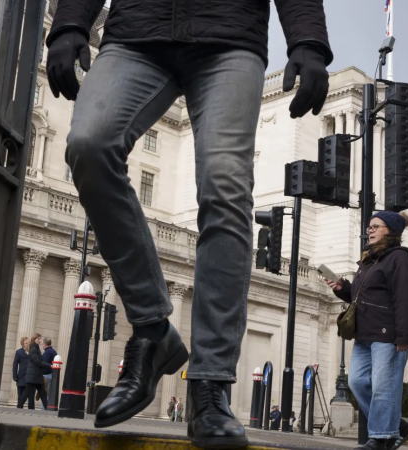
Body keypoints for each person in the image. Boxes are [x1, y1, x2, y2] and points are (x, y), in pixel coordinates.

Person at [46, 1, 331, 447]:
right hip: (137, 34)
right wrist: (69, 24)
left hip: (230, 38)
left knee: (225, 187)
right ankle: (153, 329)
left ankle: (210, 385)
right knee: (89, 144)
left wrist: (309, 42)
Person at [327, 211, 408, 450]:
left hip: (388, 335)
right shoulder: (369, 260)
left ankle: (381, 438)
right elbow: (361, 296)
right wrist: (342, 288)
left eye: (376, 226)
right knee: (357, 383)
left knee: (383, 387)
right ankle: (396, 426)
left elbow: (405, 299)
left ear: (391, 231)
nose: (370, 230)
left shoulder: (401, 258)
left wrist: (404, 337)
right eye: (370, 226)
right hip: (364, 335)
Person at [24, 333, 52, 410]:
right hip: (34, 376)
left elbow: (39, 361)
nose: (40, 340)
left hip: (36, 376)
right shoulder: (33, 348)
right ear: (35, 339)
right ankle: (26, 408)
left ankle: (45, 408)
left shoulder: (36, 348)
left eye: (40, 339)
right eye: (39, 339)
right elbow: (37, 361)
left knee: (41, 393)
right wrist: (49, 365)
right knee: (30, 394)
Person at [13, 337, 30, 408]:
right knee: (20, 395)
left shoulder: (32, 352)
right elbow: (15, 365)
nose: (28, 344)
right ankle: (19, 408)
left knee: (25, 395)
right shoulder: (19, 352)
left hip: (29, 377)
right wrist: (14, 376)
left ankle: (19, 406)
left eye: (28, 343)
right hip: (20, 377)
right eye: (26, 343)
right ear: (23, 344)